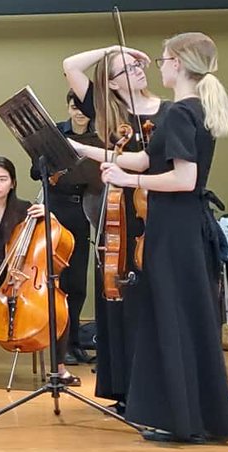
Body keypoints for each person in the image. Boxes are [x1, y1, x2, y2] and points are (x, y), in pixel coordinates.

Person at [96, 33, 228, 442]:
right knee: (187, 320)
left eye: (162, 60)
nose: (159, 67)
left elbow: (183, 178)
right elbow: (147, 158)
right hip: (186, 227)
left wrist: (129, 180)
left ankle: (184, 422)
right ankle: (198, 417)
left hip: (175, 230)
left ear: (178, 63)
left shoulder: (179, 112)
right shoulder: (195, 108)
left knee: (172, 320)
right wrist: (85, 151)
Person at [62, 43, 170, 408]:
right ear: (111, 83)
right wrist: (114, 48)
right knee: (121, 301)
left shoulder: (169, 111)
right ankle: (125, 388)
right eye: (127, 68)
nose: (138, 69)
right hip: (120, 217)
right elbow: (71, 64)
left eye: (138, 65)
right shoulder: (110, 114)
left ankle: (158, 388)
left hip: (159, 210)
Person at [0, 157, 79, 391]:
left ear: (12, 183)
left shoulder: (26, 211)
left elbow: (51, 236)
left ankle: (60, 367)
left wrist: (50, 216)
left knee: (56, 303)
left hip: (24, 279)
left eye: (2, 179)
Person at [30, 91, 99, 366]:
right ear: (68, 108)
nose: (79, 112)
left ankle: (74, 342)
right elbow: (35, 172)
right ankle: (60, 346)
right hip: (56, 210)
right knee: (58, 281)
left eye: (84, 107)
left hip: (83, 209)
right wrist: (50, 165)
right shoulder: (56, 133)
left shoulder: (98, 138)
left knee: (78, 283)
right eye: (74, 107)